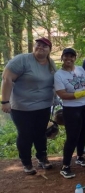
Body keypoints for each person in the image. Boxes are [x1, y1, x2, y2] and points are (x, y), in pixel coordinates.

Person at [1, 37, 55, 175]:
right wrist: (5, 101)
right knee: (25, 135)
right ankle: (26, 162)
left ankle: (42, 158)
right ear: (34, 46)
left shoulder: (50, 63)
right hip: (22, 108)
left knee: (40, 133)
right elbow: (7, 79)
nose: (40, 47)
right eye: (38, 44)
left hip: (43, 106)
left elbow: (54, 81)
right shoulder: (21, 60)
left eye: (45, 46)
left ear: (49, 50)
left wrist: (57, 98)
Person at [54, 48, 85, 179]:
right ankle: (65, 166)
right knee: (72, 136)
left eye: (71, 56)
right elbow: (61, 94)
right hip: (72, 109)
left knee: (83, 132)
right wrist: (79, 94)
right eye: (66, 56)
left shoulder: (80, 69)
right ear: (62, 58)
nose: (69, 59)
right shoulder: (59, 75)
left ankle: (80, 157)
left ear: (74, 58)